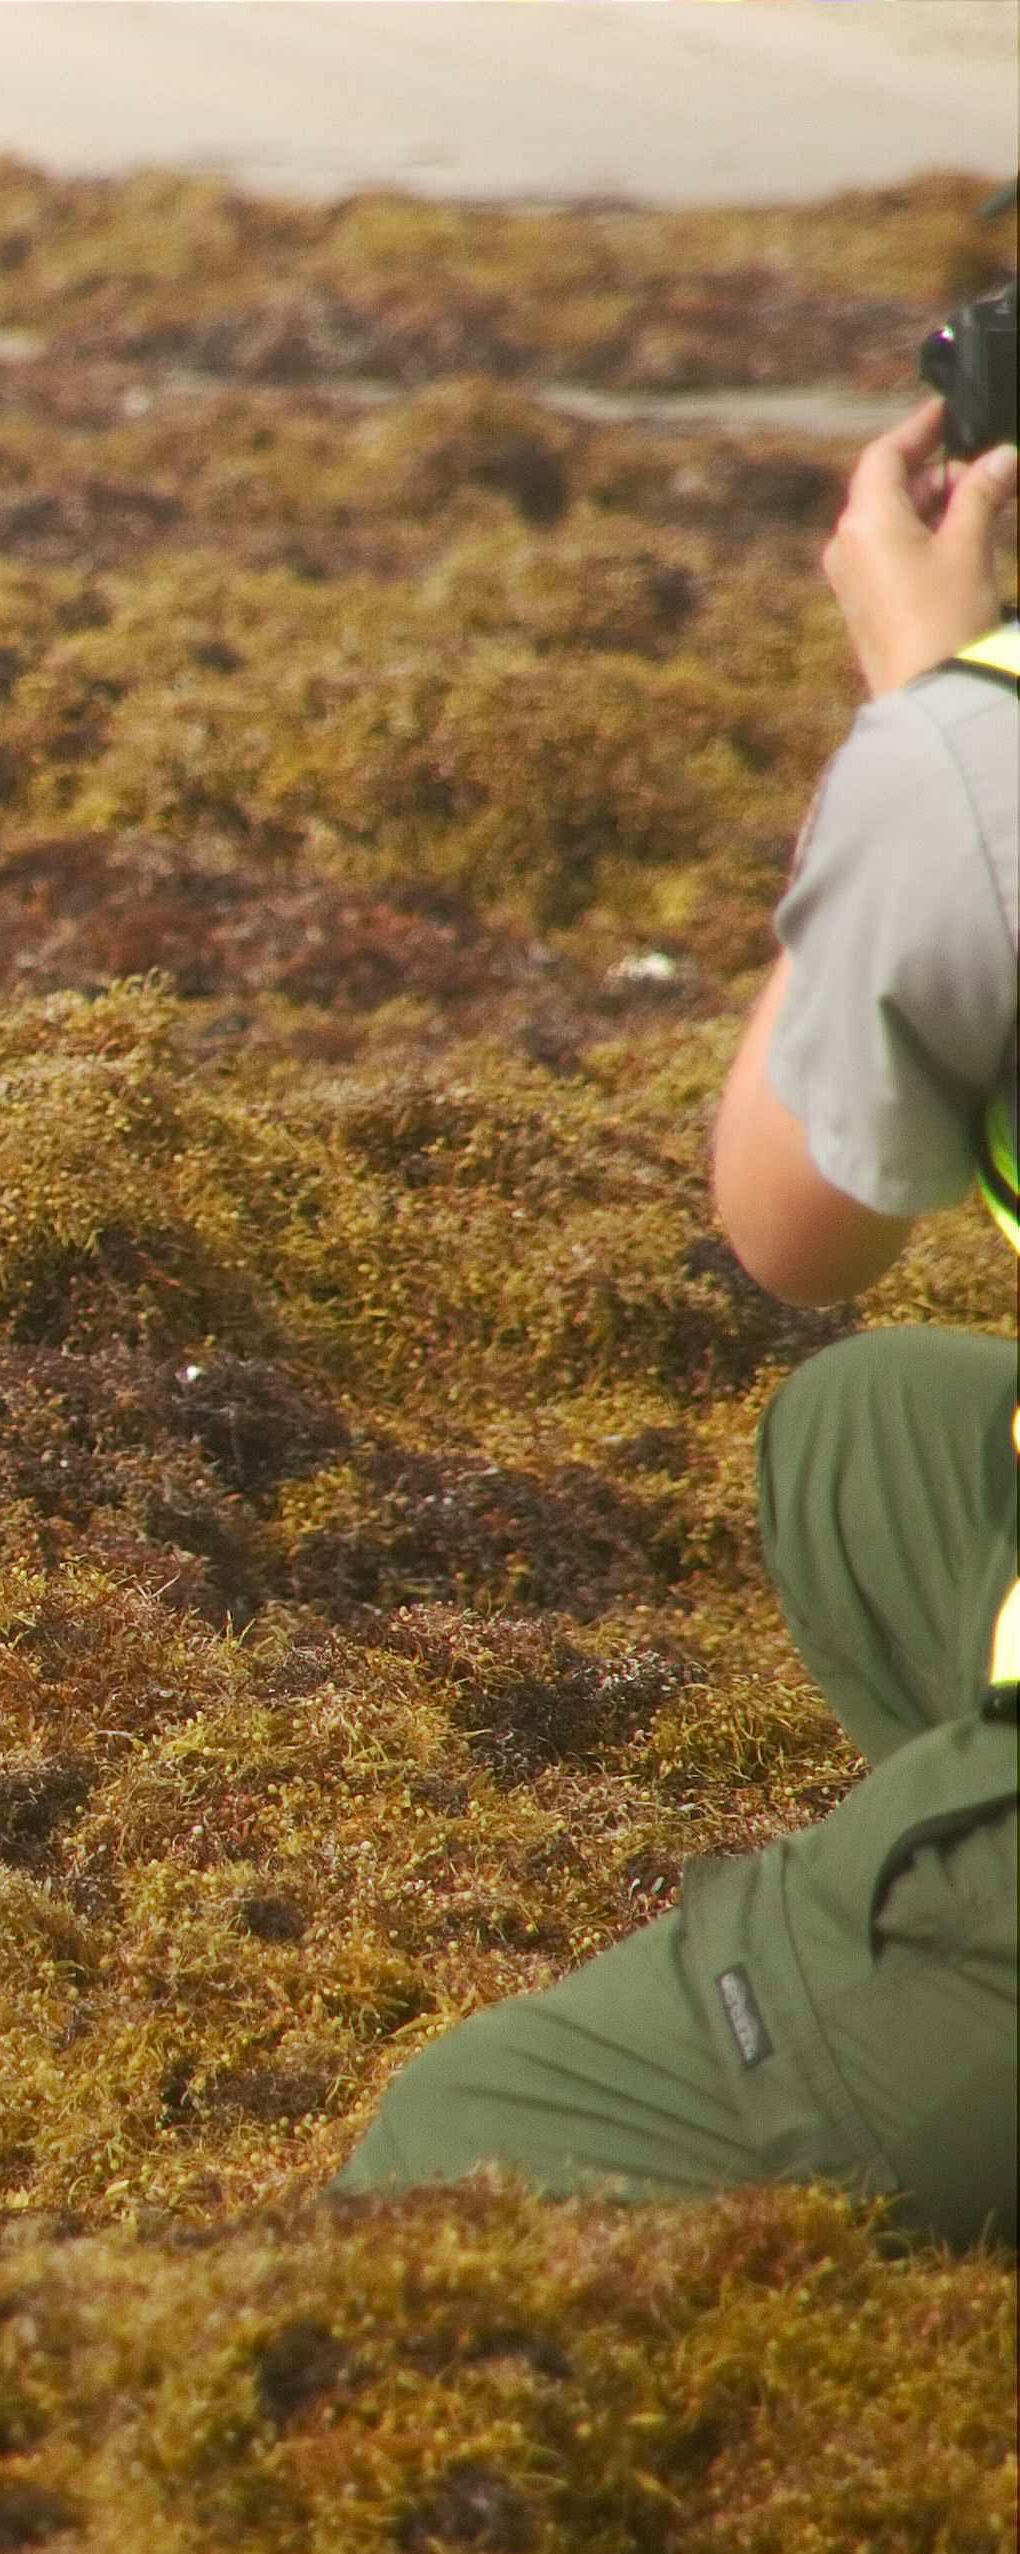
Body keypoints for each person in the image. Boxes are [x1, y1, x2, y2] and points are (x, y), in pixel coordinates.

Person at [335, 399, 1019, 2249]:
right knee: (866, 1443)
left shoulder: (985, 748)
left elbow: (790, 1227)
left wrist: (918, 718)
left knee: (455, 2155)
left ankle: (938, 1996)